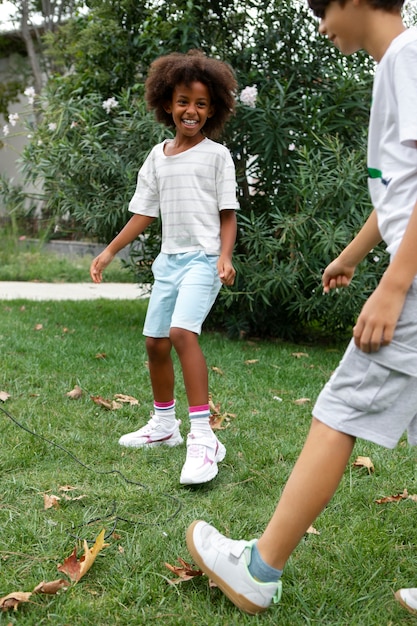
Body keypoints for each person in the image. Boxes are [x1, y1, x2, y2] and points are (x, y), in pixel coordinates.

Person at [185, 0, 417, 616]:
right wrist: (351, 255)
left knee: (340, 409)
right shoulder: (397, 63)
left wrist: (394, 284)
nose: (320, 23)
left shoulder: (410, 59)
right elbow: (399, 190)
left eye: (323, 7)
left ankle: (260, 569)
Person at [90, 50, 238, 486]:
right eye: (182, 101)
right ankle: (164, 426)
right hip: (169, 262)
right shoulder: (158, 156)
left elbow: (228, 214)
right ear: (166, 104)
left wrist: (225, 256)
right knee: (155, 342)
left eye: (200, 104)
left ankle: (203, 436)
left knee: (180, 334)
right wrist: (109, 251)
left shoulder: (217, 156)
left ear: (212, 110)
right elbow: (143, 213)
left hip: (205, 259)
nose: (190, 110)